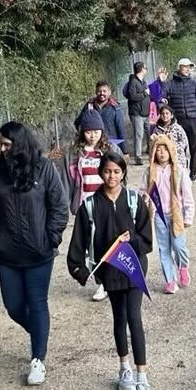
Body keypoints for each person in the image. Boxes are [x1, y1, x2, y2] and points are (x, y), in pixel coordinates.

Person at [0, 121, 68, 386]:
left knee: (37, 302)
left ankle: (37, 358)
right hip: (8, 253)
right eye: (0, 144)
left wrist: (51, 237)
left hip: (39, 252)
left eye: (7, 144)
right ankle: (39, 332)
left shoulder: (43, 167)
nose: (2, 149)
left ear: (20, 144)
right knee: (14, 306)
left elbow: (59, 204)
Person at [66, 151, 155, 390]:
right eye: (107, 171)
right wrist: (81, 271)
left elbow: (146, 238)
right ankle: (124, 367)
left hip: (133, 267)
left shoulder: (133, 200)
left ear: (123, 173)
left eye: (117, 171)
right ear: (100, 172)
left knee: (134, 318)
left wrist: (132, 241)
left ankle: (142, 380)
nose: (111, 176)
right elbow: (78, 245)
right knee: (119, 318)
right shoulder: (90, 206)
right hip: (109, 272)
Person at [69, 109, 121, 302]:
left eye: (97, 131)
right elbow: (71, 180)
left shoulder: (108, 151)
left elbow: (118, 175)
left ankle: (109, 279)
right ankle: (100, 279)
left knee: (107, 241)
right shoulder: (76, 155)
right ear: (83, 132)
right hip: (85, 204)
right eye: (89, 131)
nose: (93, 135)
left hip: (105, 204)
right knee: (90, 244)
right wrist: (72, 203)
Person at [141, 136, 195, 295]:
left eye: (165, 149)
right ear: (153, 152)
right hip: (159, 215)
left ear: (171, 151)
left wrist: (188, 216)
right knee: (164, 249)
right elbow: (144, 190)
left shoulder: (179, 171)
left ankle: (183, 266)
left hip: (176, 214)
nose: (162, 153)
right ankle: (170, 281)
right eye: (158, 149)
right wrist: (144, 198)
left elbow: (187, 195)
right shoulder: (150, 171)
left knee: (178, 246)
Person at [160, 58, 196, 182]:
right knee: (179, 148)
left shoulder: (194, 83)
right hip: (178, 120)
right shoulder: (170, 83)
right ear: (179, 67)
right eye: (185, 66)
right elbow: (162, 96)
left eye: (189, 67)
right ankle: (181, 170)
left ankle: (193, 173)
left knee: (194, 147)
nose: (187, 69)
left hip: (193, 118)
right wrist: (161, 83)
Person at [74, 80, 129, 155]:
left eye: (104, 91)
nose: (102, 93)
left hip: (110, 147)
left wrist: (125, 151)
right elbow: (78, 123)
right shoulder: (89, 106)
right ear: (96, 92)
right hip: (93, 148)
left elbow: (121, 130)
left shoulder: (115, 108)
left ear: (109, 92)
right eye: (99, 91)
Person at [122, 61, 152, 166]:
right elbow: (132, 96)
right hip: (137, 113)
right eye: (145, 68)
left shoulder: (143, 81)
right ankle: (137, 156)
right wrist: (144, 93)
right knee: (138, 134)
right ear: (141, 69)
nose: (146, 70)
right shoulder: (133, 82)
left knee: (149, 132)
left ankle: (149, 149)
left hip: (145, 112)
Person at [150, 104, 189, 174]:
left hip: (178, 158)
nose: (165, 115)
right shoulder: (157, 129)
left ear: (171, 115)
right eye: (162, 114)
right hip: (163, 160)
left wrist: (172, 147)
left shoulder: (177, 128)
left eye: (167, 113)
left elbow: (184, 141)